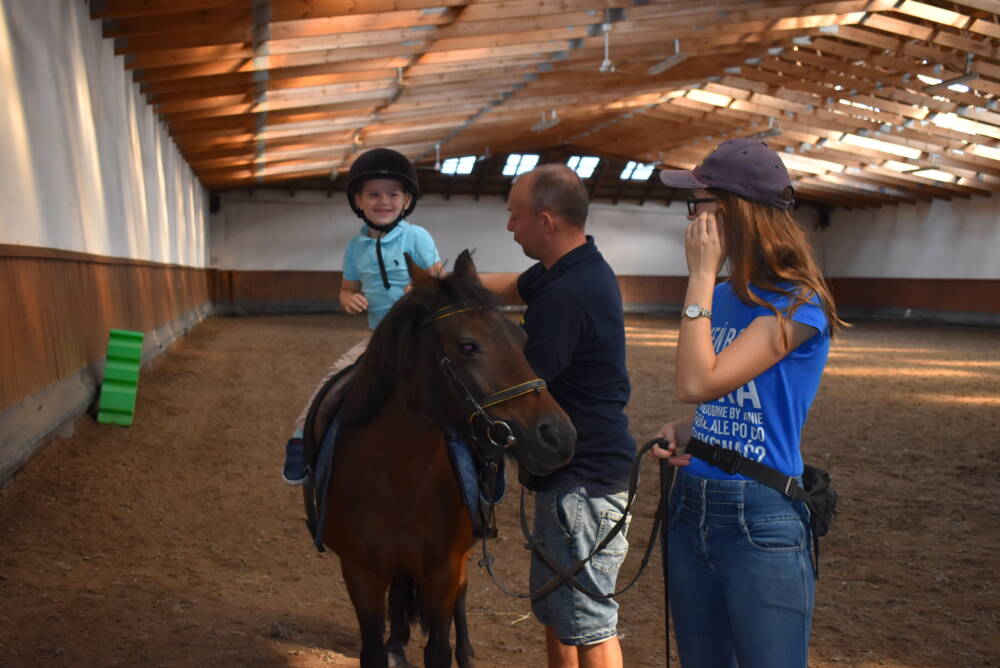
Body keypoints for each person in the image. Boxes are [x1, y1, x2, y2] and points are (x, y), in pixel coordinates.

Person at [650, 138, 844, 667]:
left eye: (698, 204)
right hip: (692, 505)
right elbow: (723, 396)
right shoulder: (723, 294)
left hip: (759, 518)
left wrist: (699, 276)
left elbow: (696, 381)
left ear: (734, 212)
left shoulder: (796, 302)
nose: (692, 218)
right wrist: (692, 430)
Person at [481, 163, 635, 668]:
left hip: (582, 483)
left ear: (545, 221)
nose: (510, 226)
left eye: (515, 215)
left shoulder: (567, 295)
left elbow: (517, 389)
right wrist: (448, 285)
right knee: (558, 614)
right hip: (570, 478)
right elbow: (511, 286)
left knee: (589, 623)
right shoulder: (568, 268)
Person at [282, 147, 442, 485]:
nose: (384, 201)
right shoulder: (355, 248)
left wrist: (424, 287)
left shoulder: (417, 237)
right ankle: (301, 437)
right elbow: (346, 289)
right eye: (374, 194)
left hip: (425, 334)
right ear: (358, 201)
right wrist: (349, 299)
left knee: (465, 384)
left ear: (407, 200)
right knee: (336, 376)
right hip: (380, 337)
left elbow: (439, 276)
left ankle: (485, 458)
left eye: (393, 194)